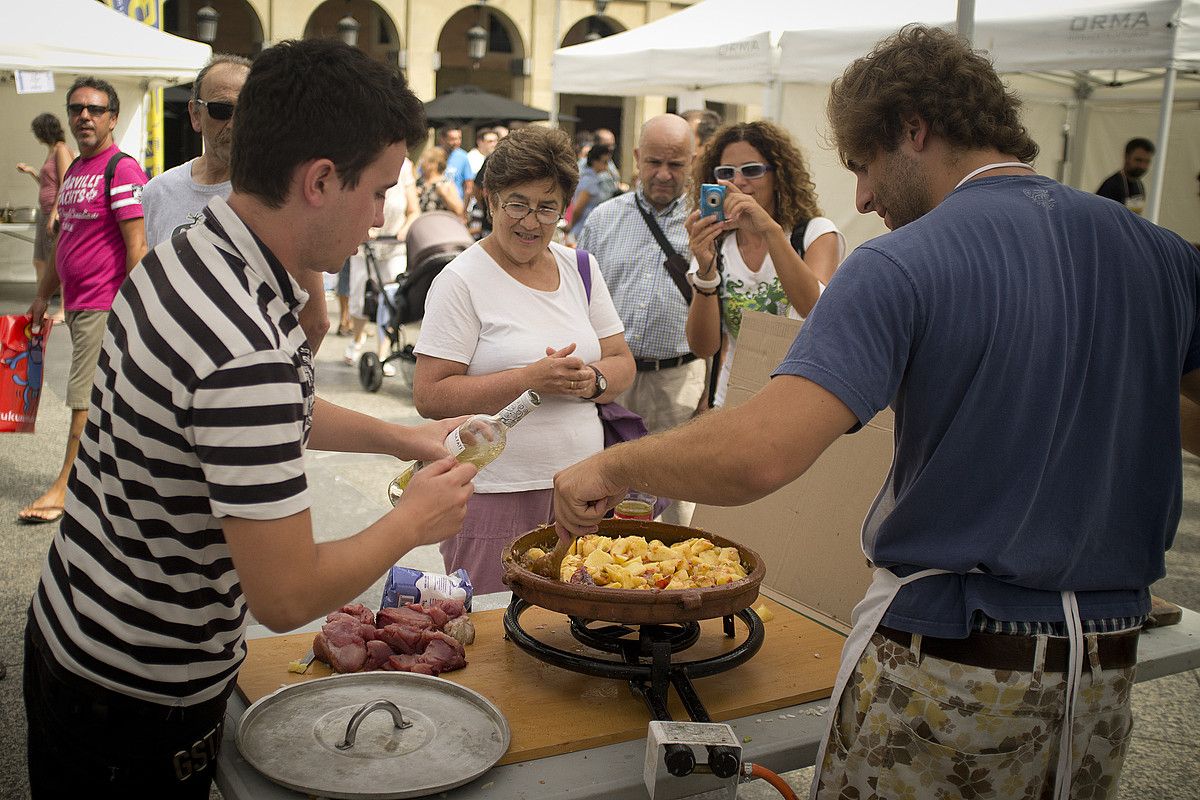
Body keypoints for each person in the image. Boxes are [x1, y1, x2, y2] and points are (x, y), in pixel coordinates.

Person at [554, 25, 1200, 800]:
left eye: (863, 166)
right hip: (1099, 677)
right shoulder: (1160, 251)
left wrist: (610, 462)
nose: (860, 197)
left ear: (913, 130)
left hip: (951, 672)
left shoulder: (901, 261)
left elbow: (762, 452)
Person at [22, 39, 477, 798]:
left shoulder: (196, 248)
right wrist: (413, 521)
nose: (378, 219)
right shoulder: (245, 345)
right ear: (321, 180)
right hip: (135, 691)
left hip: (79, 629)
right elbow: (288, 594)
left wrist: (403, 436)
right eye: (377, 191)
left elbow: (262, 414)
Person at [412, 125, 635, 594]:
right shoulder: (461, 280)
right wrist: (531, 379)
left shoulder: (581, 269)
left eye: (546, 207)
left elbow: (621, 362)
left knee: (580, 627)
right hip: (493, 493)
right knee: (495, 637)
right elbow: (430, 395)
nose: (531, 222)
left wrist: (588, 380)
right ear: (490, 199)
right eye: (517, 203)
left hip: (583, 489)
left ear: (563, 210)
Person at [18, 78, 148, 525]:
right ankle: (107, 483)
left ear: (113, 117)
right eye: (77, 109)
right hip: (77, 305)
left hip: (104, 305)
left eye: (95, 109)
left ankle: (64, 486)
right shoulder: (75, 171)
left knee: (82, 397)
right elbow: (62, 244)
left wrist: (135, 310)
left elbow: (137, 246)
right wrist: (41, 295)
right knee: (99, 396)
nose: (84, 117)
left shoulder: (121, 170)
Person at [141, 54, 331, 352]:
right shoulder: (158, 192)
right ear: (195, 115)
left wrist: (278, 382)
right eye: (221, 110)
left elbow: (315, 320)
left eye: (247, 110)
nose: (235, 122)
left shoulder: (282, 195)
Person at [575, 114, 704, 526]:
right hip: (613, 382)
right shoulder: (603, 220)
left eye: (676, 164)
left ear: (693, 161)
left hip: (678, 384)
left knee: (679, 501)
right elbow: (578, 303)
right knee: (604, 489)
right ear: (636, 158)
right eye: (653, 162)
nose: (664, 174)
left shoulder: (708, 226)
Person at [685, 121, 845, 408]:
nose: (738, 181)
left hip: (798, 400)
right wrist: (706, 270)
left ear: (778, 175)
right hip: (733, 401)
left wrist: (770, 231)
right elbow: (704, 347)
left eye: (752, 170)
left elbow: (816, 311)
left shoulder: (814, 233)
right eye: (726, 173)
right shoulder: (716, 245)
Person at [344, 157, 420, 370]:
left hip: (394, 244)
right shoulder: (364, 159)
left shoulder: (405, 166)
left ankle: (382, 354)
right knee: (360, 298)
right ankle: (357, 338)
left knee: (391, 298)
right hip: (365, 243)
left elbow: (414, 209)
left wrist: (405, 229)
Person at [16, 113, 73, 317]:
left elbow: (66, 182)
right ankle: (42, 304)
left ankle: (64, 309)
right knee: (40, 260)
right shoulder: (51, 151)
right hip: (45, 211)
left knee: (58, 261)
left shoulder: (61, 150)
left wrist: (55, 213)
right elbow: (49, 184)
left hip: (54, 213)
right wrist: (32, 172)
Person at [1096, 137, 1155, 215]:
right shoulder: (1112, 185)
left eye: (1147, 161)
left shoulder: (1139, 186)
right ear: (1127, 157)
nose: (1142, 166)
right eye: (1138, 160)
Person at [569, 143, 617, 238]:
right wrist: (571, 226)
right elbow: (578, 209)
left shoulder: (592, 178)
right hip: (582, 229)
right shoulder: (590, 181)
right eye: (604, 162)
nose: (607, 167)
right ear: (595, 161)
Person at [416, 146, 465, 217]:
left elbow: (459, 209)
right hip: (420, 224)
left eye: (424, 160)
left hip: (439, 224)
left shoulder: (445, 183)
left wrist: (444, 195)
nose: (421, 163)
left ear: (434, 164)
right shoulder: (419, 182)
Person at [439, 124, 475, 202]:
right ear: (442, 139)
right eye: (452, 139)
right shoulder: (433, 155)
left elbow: (469, 186)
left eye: (459, 138)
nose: (457, 142)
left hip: (456, 204)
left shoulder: (463, 157)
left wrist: (464, 209)